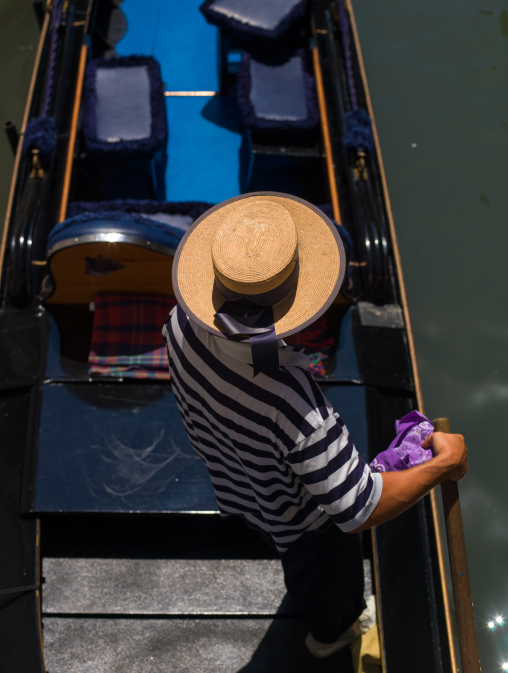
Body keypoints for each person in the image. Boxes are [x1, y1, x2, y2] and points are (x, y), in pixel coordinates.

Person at [162, 192, 467, 659]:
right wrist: (443, 466)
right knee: (325, 585)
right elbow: (358, 510)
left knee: (273, 528)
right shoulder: (293, 403)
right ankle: (332, 635)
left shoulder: (179, 320)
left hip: (237, 484)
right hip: (304, 524)